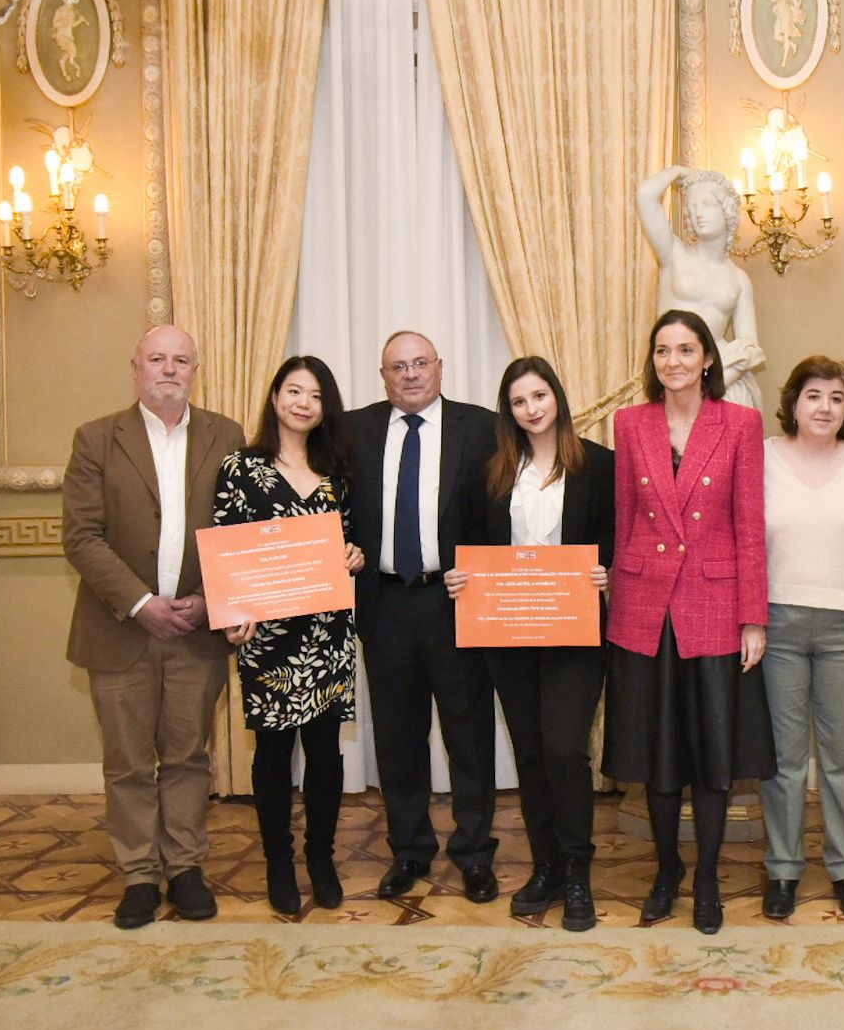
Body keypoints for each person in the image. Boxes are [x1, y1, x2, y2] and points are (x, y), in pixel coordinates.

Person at [62, 325, 245, 929]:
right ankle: (140, 874)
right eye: (157, 359)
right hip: (121, 631)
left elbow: (238, 534)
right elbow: (81, 536)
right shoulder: (96, 439)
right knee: (129, 762)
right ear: (135, 367)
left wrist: (204, 598)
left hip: (197, 627)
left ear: (196, 370)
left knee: (191, 755)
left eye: (181, 360)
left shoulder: (227, 435)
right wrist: (142, 603)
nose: (169, 369)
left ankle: (187, 868)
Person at [604, 308, 774, 935]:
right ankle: (666, 868)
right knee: (657, 749)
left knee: (711, 749)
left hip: (715, 607)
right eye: (662, 351)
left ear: (707, 358)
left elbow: (750, 527)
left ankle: (706, 877)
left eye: (685, 349)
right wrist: (615, 607)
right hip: (645, 610)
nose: (672, 361)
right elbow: (624, 521)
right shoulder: (630, 424)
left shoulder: (740, 424)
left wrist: (753, 619)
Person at [443, 357, 614, 932]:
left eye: (539, 396)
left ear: (557, 398)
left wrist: (607, 569)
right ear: (508, 411)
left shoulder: (598, 465)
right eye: (519, 402)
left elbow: (616, 539)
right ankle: (546, 869)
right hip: (509, 632)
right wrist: (457, 576)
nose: (531, 409)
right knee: (532, 752)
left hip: (574, 632)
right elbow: (465, 545)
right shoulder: (492, 472)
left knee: (565, 748)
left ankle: (578, 874)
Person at [347, 331, 500, 904]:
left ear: (440, 367)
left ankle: (475, 855)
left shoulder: (482, 427)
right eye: (397, 367)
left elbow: (505, 509)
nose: (409, 375)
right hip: (384, 603)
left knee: (469, 733)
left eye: (419, 364)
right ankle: (409, 851)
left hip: (455, 601)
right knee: (397, 737)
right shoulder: (353, 429)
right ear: (382, 376)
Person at [214, 356, 364, 915]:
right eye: (294, 391)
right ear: (275, 397)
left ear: (327, 407)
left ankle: (320, 858)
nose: (304, 402)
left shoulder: (338, 473)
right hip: (268, 636)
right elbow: (226, 545)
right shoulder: (240, 468)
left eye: (316, 395)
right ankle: (279, 863)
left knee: (326, 753)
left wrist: (356, 553)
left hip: (327, 632)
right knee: (273, 755)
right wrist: (233, 612)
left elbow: (353, 542)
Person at [758, 357, 844, 921]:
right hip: (776, 623)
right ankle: (784, 869)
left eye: (837, 398)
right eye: (813, 395)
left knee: (843, 757)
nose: (824, 408)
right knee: (784, 760)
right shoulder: (761, 456)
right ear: (793, 403)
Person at [637, 166, 765, 409]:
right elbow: (646, 195)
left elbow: (749, 346)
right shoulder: (674, 255)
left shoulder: (739, 279)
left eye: (707, 204)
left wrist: (710, 385)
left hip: (723, 382)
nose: (698, 214)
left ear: (726, 210)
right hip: (674, 374)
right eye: (693, 207)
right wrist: (677, 171)